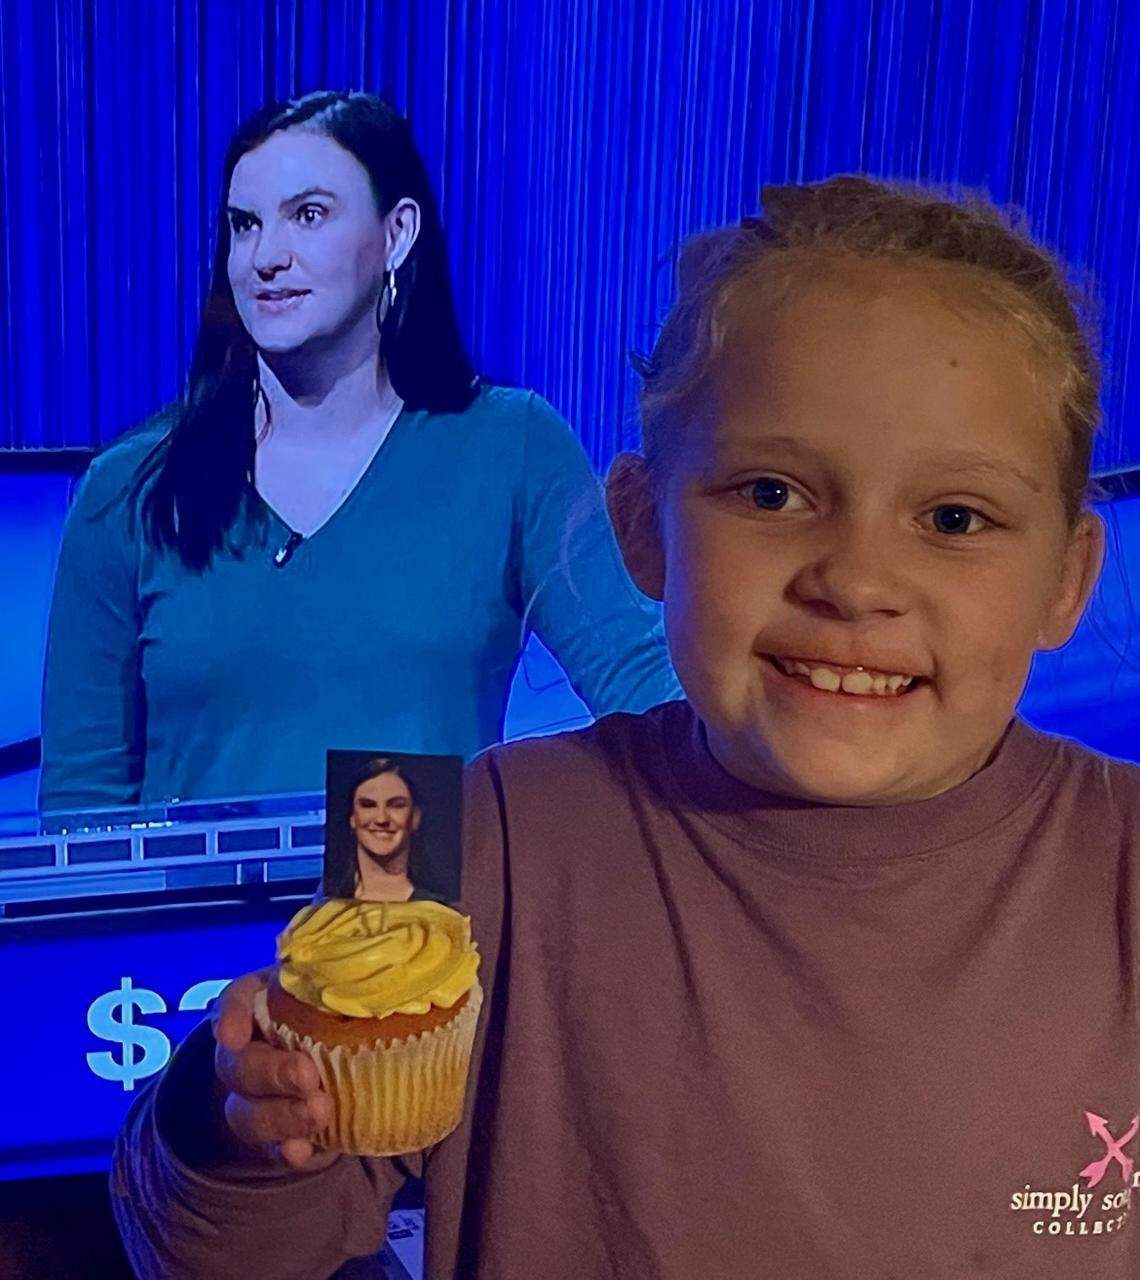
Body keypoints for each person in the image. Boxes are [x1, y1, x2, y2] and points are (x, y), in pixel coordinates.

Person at [111, 177, 1140, 1278]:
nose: (856, 580)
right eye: (772, 493)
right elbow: (209, 1248)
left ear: (1066, 582)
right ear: (640, 526)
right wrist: (236, 1123)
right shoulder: (433, 826)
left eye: (953, 517)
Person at [39, 90, 680, 814]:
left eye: (307, 216)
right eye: (244, 226)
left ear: (397, 234)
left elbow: (643, 688)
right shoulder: (127, 489)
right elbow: (81, 807)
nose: (266, 258)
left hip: (422, 917)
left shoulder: (512, 447)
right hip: (197, 924)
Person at [336, 757, 421, 902]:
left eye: (397, 805)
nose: (381, 819)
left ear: (415, 817)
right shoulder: (325, 912)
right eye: (368, 805)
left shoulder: (443, 915)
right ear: (351, 817)